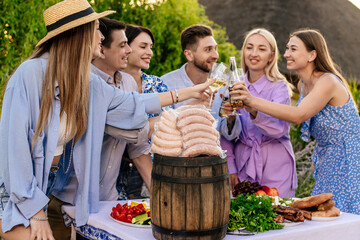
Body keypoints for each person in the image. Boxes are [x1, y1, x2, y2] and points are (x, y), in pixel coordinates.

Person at [0, 0, 213, 239]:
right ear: (77, 35)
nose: (100, 36)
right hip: (16, 189)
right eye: (95, 30)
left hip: (49, 186)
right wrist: (36, 212)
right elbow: (14, 149)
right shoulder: (30, 74)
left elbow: (131, 103)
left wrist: (190, 93)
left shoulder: (87, 83)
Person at [231, 29, 360, 214]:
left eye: (293, 49)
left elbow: (298, 115)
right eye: (286, 48)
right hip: (327, 159)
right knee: (327, 215)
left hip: (350, 156)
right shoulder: (302, 84)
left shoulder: (328, 81)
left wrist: (251, 101)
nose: (286, 54)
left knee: (347, 216)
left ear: (312, 55)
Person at [220, 28, 297, 198]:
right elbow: (225, 136)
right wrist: (231, 168)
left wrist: (253, 108)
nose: (254, 53)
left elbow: (279, 130)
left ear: (271, 55)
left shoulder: (279, 87)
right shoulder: (233, 84)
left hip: (276, 166)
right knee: (243, 218)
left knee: (276, 217)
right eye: (249, 47)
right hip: (242, 165)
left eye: (262, 49)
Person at [91, 18, 153, 202]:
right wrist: (171, 117)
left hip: (110, 197)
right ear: (101, 49)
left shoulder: (128, 82)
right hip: (70, 200)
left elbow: (138, 148)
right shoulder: (85, 82)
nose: (129, 50)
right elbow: (131, 130)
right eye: (123, 45)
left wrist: (160, 196)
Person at [160, 24, 221, 112]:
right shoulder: (164, 85)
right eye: (208, 49)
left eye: (215, 48)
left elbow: (227, 124)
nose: (216, 55)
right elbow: (162, 123)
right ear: (189, 55)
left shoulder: (223, 84)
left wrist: (231, 118)